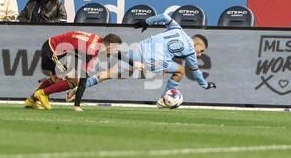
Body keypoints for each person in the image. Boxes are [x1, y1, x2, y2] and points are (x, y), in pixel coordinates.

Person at [66, 13, 216, 107]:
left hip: (138, 50)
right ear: (196, 43)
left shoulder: (177, 29)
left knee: (107, 74)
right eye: (201, 51)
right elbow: (195, 72)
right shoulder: (190, 50)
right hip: (153, 62)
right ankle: (163, 100)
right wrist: (205, 85)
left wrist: (147, 22)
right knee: (180, 70)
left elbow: (164, 17)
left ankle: (77, 89)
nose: (199, 54)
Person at [25, 32, 123, 112]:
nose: (115, 53)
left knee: (59, 78)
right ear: (109, 48)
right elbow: (83, 81)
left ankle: (31, 101)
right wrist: (77, 105)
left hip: (52, 47)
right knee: (72, 80)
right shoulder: (90, 52)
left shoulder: (100, 41)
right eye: (115, 50)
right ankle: (42, 93)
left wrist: (132, 62)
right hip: (51, 52)